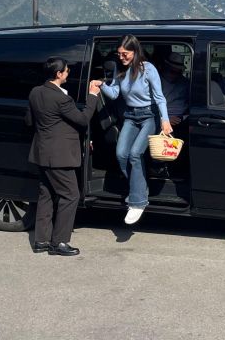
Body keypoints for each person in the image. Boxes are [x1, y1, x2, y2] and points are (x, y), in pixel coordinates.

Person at [26, 57, 102, 256]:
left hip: (41, 151)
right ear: (58, 74)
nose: (68, 73)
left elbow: (29, 120)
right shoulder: (61, 98)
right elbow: (83, 119)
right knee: (71, 195)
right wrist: (92, 95)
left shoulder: (35, 92)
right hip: (59, 155)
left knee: (46, 194)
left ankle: (41, 240)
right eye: (67, 71)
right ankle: (59, 242)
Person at [100, 35, 172, 225]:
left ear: (135, 51)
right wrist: (100, 85)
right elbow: (115, 94)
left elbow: (160, 97)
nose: (122, 57)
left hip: (149, 115)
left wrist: (165, 120)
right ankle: (139, 189)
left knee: (134, 154)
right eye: (119, 54)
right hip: (130, 116)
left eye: (126, 54)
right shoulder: (119, 69)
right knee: (121, 154)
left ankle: (138, 201)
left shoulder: (148, 69)